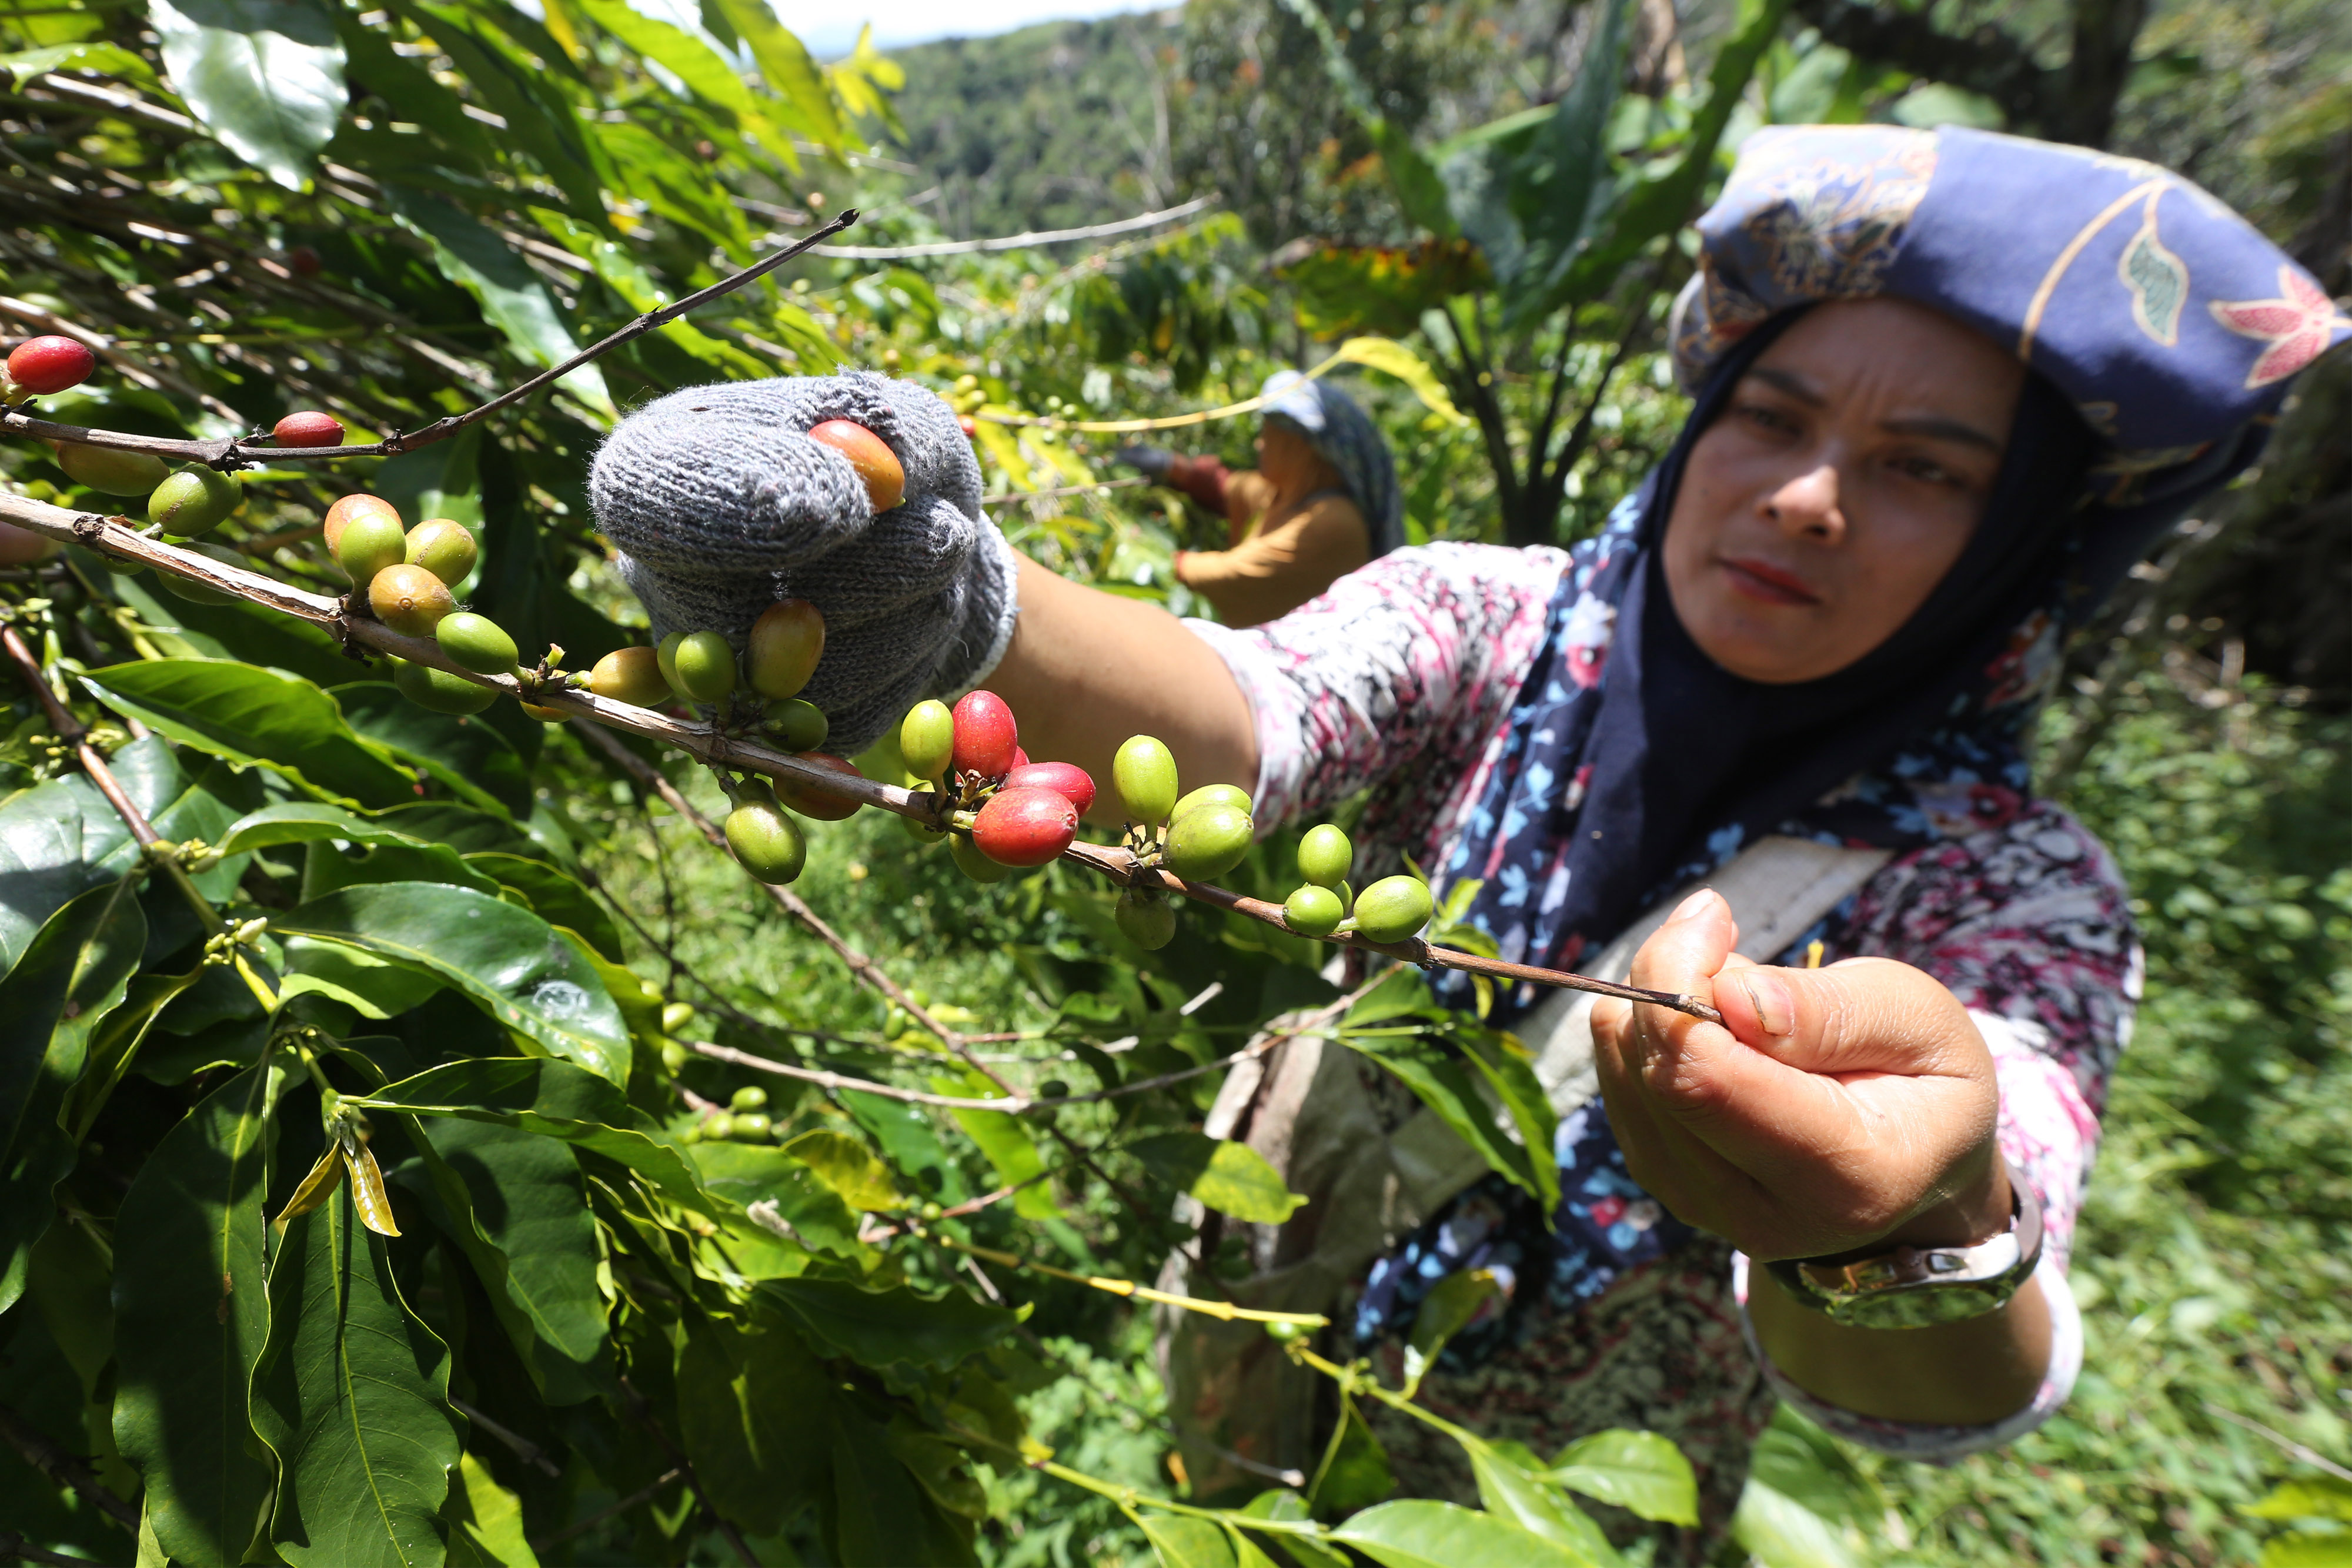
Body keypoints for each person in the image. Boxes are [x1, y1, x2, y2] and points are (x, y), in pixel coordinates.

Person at [587, 124, 2349, 1554]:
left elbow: (1975, 1358)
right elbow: (1244, 711)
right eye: (1772, 418)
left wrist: (1917, 1221)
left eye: (1925, 470)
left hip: (1554, 1519)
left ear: (2019, 550)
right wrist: (944, 602)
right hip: (1264, 1373)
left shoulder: (2015, 892)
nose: (1809, 495)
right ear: (1700, 424)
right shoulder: (1498, 623)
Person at [1114, 371, 1405, 626]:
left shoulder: (1333, 522)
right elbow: (1228, 488)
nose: (1259, 444)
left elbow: (1231, 575)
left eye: (1269, 436)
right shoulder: (1289, 495)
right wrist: (1172, 466)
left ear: (1302, 448)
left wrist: (1142, 554)